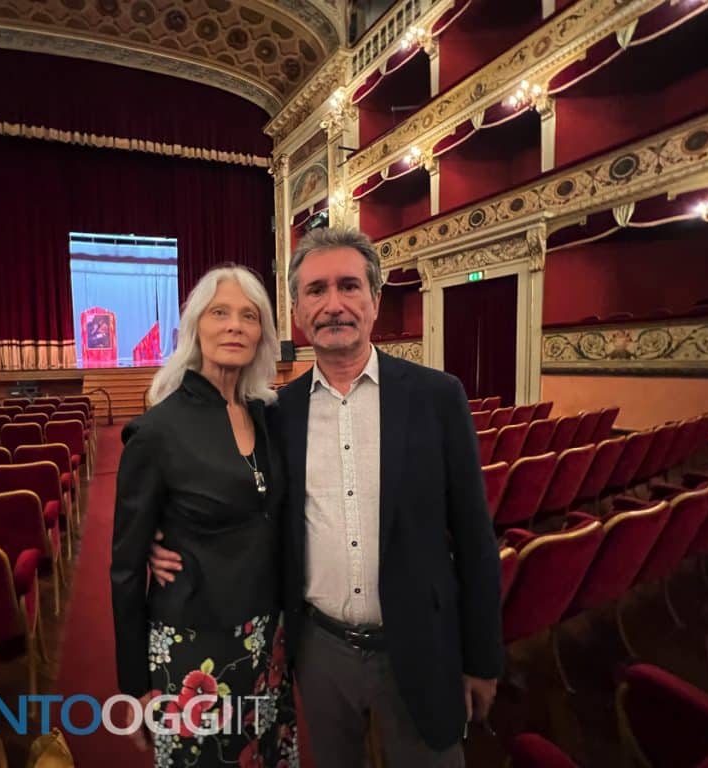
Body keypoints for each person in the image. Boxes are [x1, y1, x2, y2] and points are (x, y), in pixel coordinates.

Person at [150, 227, 503, 767]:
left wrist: (482, 659)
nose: (333, 304)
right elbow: (240, 506)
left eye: (349, 286)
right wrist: (162, 536)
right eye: (316, 290)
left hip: (422, 643)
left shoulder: (438, 397)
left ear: (375, 300)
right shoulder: (275, 414)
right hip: (319, 651)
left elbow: (476, 538)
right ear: (296, 311)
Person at [110, 265, 299, 767]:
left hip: (267, 634)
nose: (235, 325)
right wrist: (134, 685)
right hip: (193, 644)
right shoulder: (157, 432)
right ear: (195, 326)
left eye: (249, 316)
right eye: (220, 312)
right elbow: (125, 570)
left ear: (262, 334)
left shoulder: (266, 414)